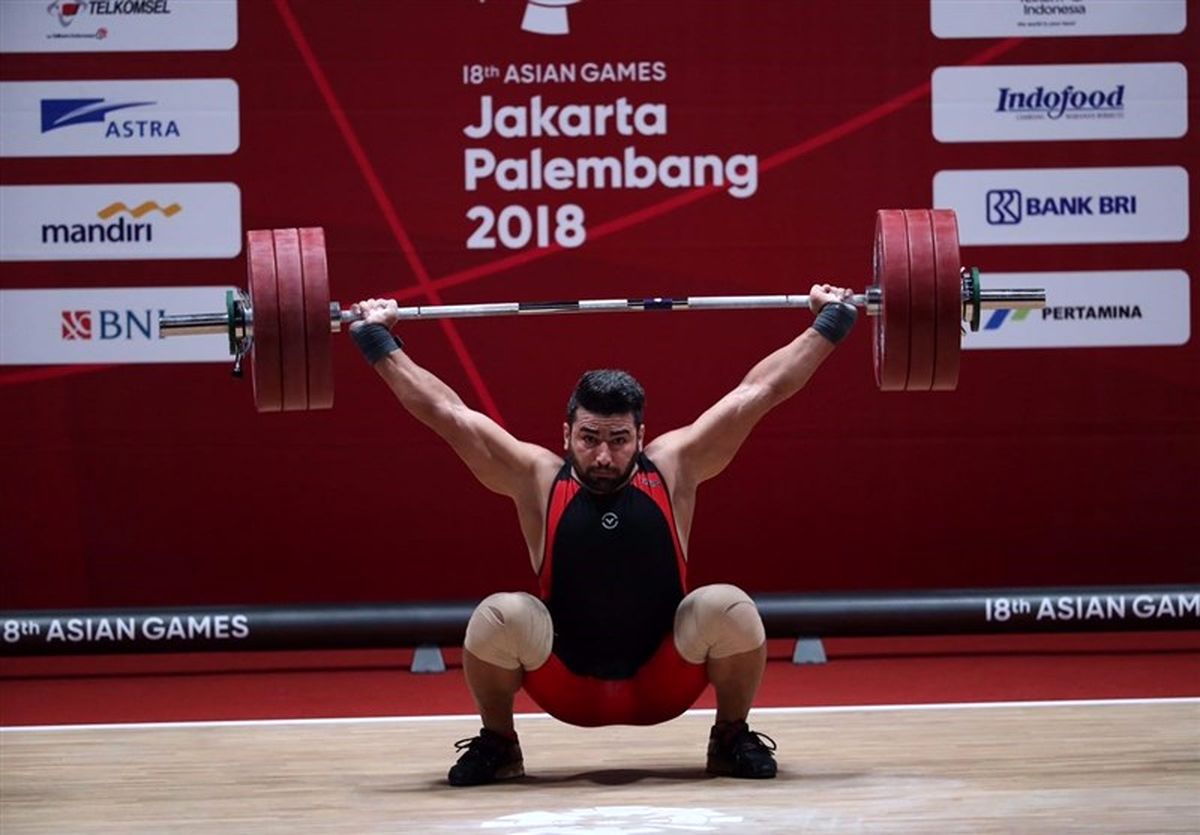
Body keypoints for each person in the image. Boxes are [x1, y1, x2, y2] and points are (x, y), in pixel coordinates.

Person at [349, 284, 857, 785]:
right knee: (499, 614)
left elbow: (758, 393)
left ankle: (729, 739)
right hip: (567, 684)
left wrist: (828, 324)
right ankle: (499, 745)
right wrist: (377, 340)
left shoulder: (675, 465)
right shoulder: (537, 476)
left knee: (728, 606)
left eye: (619, 440)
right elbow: (449, 415)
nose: (603, 457)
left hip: (664, 680)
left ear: (641, 434)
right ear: (565, 434)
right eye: (589, 439)